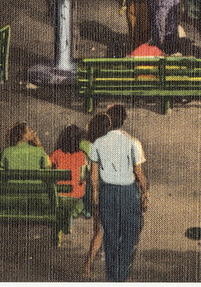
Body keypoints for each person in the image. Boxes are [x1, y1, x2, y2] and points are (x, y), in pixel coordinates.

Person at [88, 103, 148, 282]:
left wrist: (95, 195)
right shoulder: (133, 142)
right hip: (128, 192)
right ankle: (121, 276)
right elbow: (139, 173)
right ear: (123, 120)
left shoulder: (97, 143)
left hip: (107, 191)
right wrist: (144, 192)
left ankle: (111, 277)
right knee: (129, 235)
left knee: (110, 237)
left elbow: (94, 175)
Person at [82, 113, 112, 276]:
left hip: (93, 191)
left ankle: (89, 262)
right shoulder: (105, 146)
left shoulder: (86, 144)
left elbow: (92, 176)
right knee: (102, 230)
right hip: (108, 190)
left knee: (98, 230)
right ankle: (89, 262)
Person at [50, 124, 88, 204]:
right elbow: (82, 178)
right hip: (77, 195)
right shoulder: (82, 155)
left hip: (61, 193)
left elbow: (50, 174)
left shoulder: (56, 154)